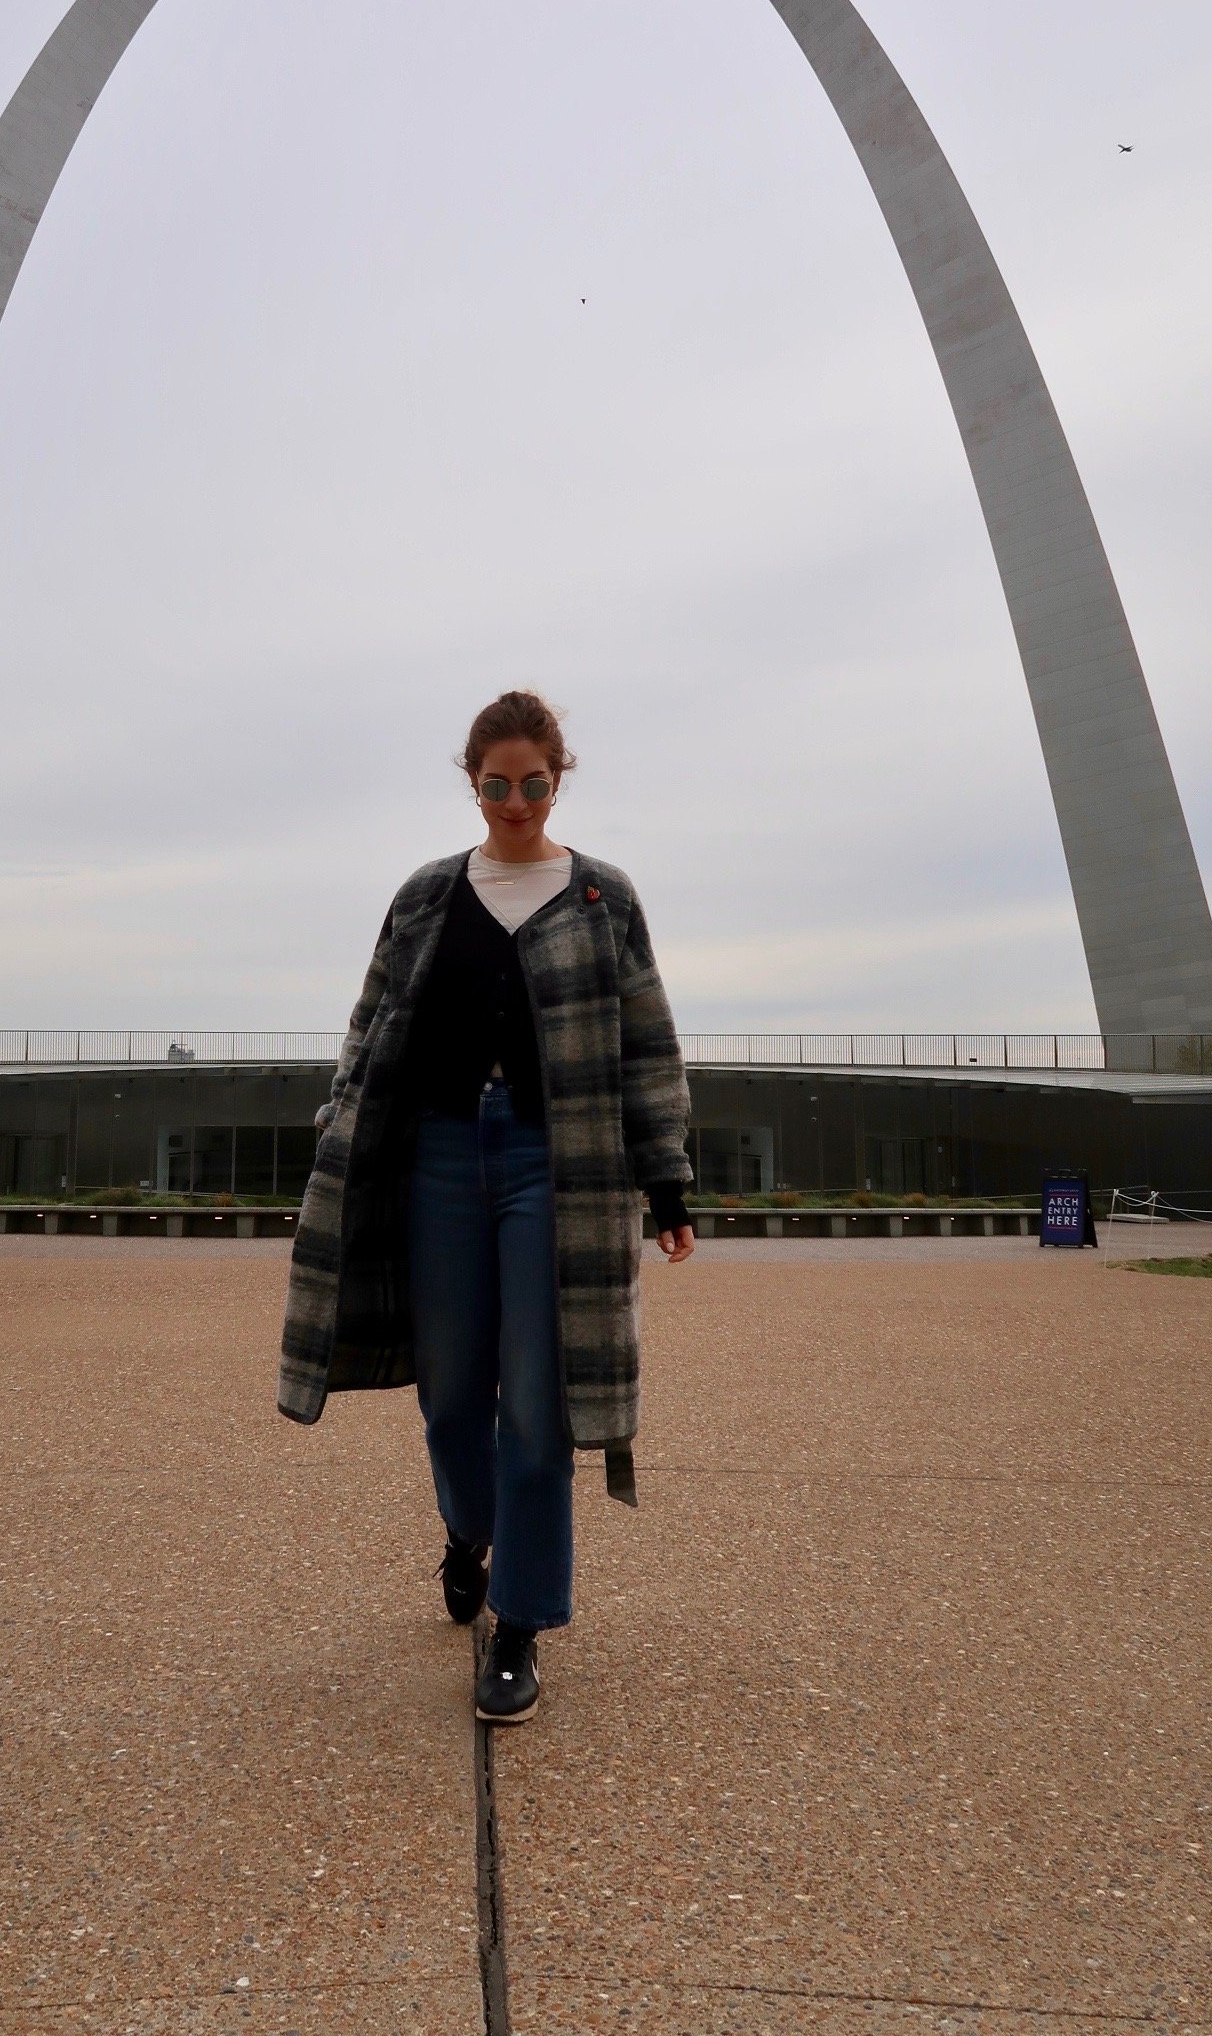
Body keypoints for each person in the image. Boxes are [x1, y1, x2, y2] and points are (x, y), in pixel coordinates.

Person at [277, 689, 695, 1724]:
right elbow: (369, 1021)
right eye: (496, 784)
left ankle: (519, 1622)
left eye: (535, 783)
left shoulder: (603, 897)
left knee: (539, 1401)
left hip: (557, 1167)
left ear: (561, 778)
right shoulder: (426, 894)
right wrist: (338, 1128)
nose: (516, 802)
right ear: (472, 783)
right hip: (438, 1153)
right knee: (454, 1391)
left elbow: (647, 1043)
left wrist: (668, 1175)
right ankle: (469, 1531)